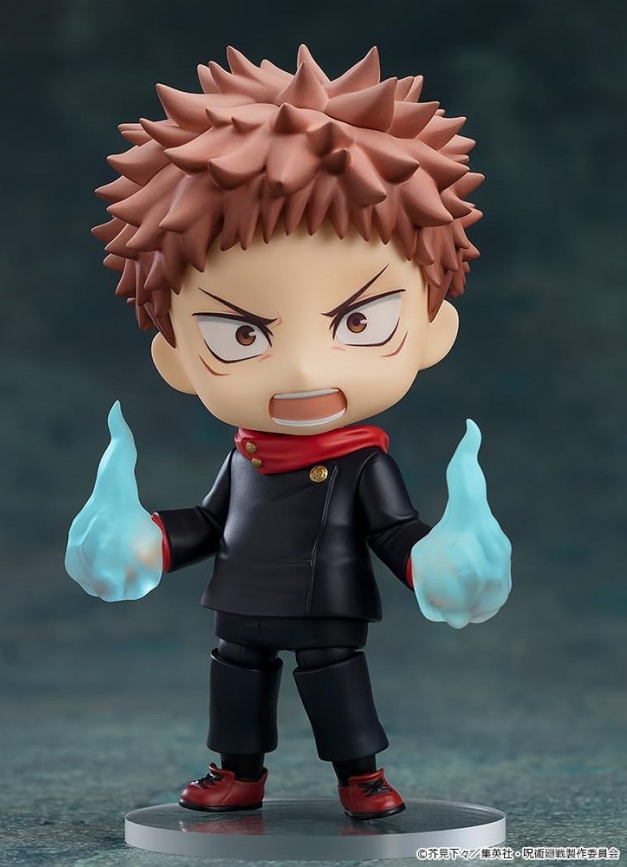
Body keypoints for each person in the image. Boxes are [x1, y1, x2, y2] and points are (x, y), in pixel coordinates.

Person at [66, 45, 511, 820]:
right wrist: (149, 540)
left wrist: (434, 562)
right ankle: (237, 769)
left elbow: (393, 530)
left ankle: (360, 773)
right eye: (241, 335)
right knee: (235, 671)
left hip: (325, 599)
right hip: (243, 594)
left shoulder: (361, 463)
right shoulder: (246, 455)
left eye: (360, 322)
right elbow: (211, 520)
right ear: (175, 357)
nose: (304, 367)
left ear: (433, 328)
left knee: (334, 674)